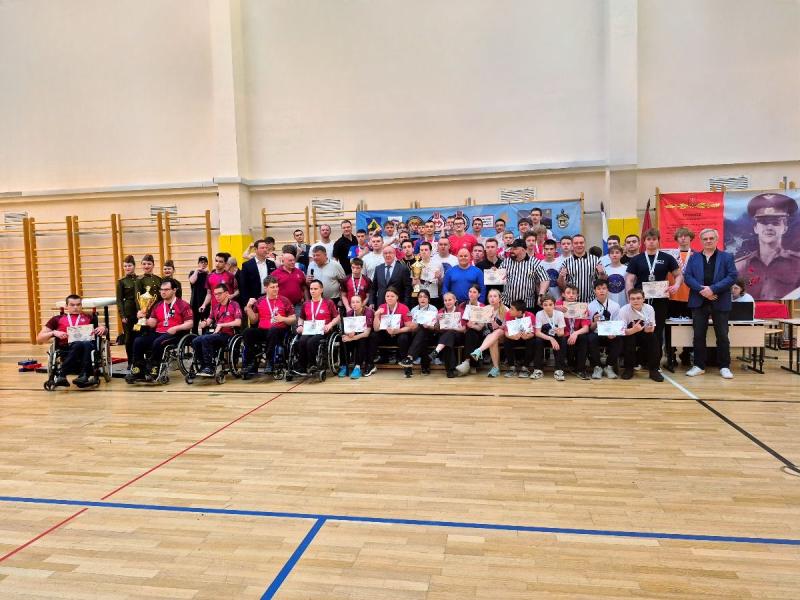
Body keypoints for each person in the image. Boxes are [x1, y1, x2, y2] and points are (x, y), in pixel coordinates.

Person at [684, 228, 739, 379]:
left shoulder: (727, 257)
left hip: (720, 300)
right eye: (705, 239)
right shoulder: (694, 257)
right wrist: (703, 290)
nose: (708, 241)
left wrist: (713, 289)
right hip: (699, 300)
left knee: (722, 335)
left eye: (711, 238)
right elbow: (687, 277)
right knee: (698, 335)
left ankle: (724, 366)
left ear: (716, 239)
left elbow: (732, 276)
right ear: (701, 241)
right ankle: (699, 366)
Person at [625, 228, 682, 364]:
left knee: (657, 330)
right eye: (648, 239)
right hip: (640, 301)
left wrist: (676, 285)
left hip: (660, 300)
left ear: (658, 241)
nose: (651, 242)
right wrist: (630, 298)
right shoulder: (637, 259)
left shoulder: (667, 258)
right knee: (638, 329)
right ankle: (640, 360)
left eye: (654, 239)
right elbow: (629, 280)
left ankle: (655, 363)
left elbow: (678, 275)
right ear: (644, 242)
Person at [735, 192, 800, 299]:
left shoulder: (798, 264)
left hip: (786, 310)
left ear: (785, 228)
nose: (769, 227)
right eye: (764, 222)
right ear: (755, 228)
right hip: (751, 310)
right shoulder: (739, 267)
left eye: (775, 222)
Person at [127, 279, 193, 382]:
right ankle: (138, 370)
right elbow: (153, 323)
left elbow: (190, 323)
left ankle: (154, 368)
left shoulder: (183, 305)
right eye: (161, 290)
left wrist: (176, 328)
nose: (163, 292)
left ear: (174, 290)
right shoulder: (158, 305)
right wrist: (142, 318)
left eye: (166, 289)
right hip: (158, 333)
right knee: (138, 341)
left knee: (159, 342)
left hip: (175, 334)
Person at [38, 294, 106, 388]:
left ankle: (63, 374)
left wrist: (103, 328)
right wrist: (54, 333)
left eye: (78, 304)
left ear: (81, 305)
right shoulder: (57, 319)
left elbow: (102, 331)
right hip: (66, 348)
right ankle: (84, 375)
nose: (75, 307)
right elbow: (39, 338)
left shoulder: (89, 317)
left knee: (83, 344)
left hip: (87, 348)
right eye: (72, 305)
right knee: (79, 344)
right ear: (66, 306)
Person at [242, 276, 296, 379]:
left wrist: (283, 319)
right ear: (266, 288)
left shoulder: (284, 300)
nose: (276, 289)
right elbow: (254, 320)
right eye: (272, 287)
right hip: (263, 330)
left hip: (279, 331)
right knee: (247, 332)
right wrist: (248, 307)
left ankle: (270, 361)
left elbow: (293, 319)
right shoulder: (260, 301)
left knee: (273, 330)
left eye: (276, 286)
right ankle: (251, 362)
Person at [192, 283, 242, 376]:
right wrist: (204, 323)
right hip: (216, 334)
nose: (217, 296)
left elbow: (238, 322)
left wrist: (222, 325)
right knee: (195, 340)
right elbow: (209, 320)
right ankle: (204, 366)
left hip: (228, 335)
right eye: (215, 294)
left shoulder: (234, 305)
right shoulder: (215, 307)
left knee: (206, 339)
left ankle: (210, 367)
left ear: (226, 293)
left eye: (219, 293)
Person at [293, 280, 340, 376]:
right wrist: (300, 326)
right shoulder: (306, 304)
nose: (313, 291)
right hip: (309, 330)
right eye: (311, 289)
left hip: (323, 330)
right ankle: (302, 366)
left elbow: (337, 317)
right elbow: (301, 318)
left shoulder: (328, 302)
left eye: (315, 289)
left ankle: (312, 364)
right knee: (302, 341)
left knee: (311, 342)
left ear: (321, 290)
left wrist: (330, 325)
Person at [619, 288, 662, 382]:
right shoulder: (624, 310)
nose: (636, 301)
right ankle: (629, 368)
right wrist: (633, 330)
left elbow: (652, 328)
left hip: (644, 332)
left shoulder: (649, 308)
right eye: (633, 299)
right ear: (629, 300)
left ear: (643, 299)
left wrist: (648, 329)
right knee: (629, 339)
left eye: (638, 298)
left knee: (653, 339)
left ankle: (654, 370)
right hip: (629, 332)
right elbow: (622, 331)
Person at [667, 227, 695, 366]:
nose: (683, 238)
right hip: (672, 297)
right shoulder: (670, 255)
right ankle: (670, 354)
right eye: (680, 236)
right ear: (676, 239)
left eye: (685, 236)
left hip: (690, 297)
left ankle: (686, 353)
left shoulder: (697, 255)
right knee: (670, 328)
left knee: (689, 328)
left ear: (691, 238)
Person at [465, 288, 507, 377]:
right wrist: (472, 325)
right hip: (489, 337)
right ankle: (496, 368)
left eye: (495, 296)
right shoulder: (485, 309)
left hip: (503, 335)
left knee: (498, 331)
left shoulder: (505, 309)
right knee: (493, 340)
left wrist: (498, 326)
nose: (492, 298)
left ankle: (479, 350)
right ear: (488, 298)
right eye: (490, 296)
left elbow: (509, 327)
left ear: (499, 298)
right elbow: (480, 327)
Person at [371, 286, 413, 374]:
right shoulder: (381, 307)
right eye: (387, 296)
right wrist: (376, 316)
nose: (389, 298)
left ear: (397, 297)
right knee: (373, 335)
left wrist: (398, 331)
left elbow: (409, 327)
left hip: (398, 334)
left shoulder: (404, 308)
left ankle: (406, 364)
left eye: (392, 296)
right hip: (386, 335)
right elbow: (376, 328)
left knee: (404, 337)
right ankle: (370, 364)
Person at [586, 279, 622, 379]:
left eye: (604, 288)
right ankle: (597, 367)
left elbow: (617, 324)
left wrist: (613, 332)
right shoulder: (589, 306)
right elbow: (590, 328)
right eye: (598, 289)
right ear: (594, 291)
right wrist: (595, 322)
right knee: (590, 338)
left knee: (618, 339)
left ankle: (609, 366)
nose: (601, 291)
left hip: (610, 333)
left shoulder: (615, 305)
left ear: (608, 290)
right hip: (596, 332)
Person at [554, 284, 591, 379]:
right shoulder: (558, 305)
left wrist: (575, 333)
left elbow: (586, 328)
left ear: (577, 295)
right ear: (563, 294)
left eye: (574, 293)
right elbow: (546, 308)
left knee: (583, 337)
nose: (571, 295)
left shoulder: (582, 307)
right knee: (561, 338)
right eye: (568, 293)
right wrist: (555, 308)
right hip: (563, 333)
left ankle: (580, 369)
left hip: (575, 334)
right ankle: (559, 370)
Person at [501, 239, 548, 311]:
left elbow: (545, 279)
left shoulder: (534, 262)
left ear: (523, 250)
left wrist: (541, 295)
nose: (512, 251)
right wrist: (494, 272)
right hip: (508, 303)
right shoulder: (506, 261)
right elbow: (497, 279)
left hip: (526, 305)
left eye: (515, 249)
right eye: (511, 248)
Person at [399, 290, 439, 375]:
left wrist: (428, 326)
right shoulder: (414, 310)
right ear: (417, 299)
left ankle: (410, 357)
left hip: (430, 333)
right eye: (420, 297)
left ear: (429, 299)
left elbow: (436, 327)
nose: (422, 299)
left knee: (423, 333)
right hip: (416, 334)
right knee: (421, 334)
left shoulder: (433, 309)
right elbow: (410, 326)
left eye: (425, 297)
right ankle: (425, 367)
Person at [428, 292, 466, 378]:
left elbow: (464, 329)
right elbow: (436, 329)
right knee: (447, 342)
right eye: (445, 300)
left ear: (455, 300)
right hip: (444, 337)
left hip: (458, 336)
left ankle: (436, 352)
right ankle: (450, 371)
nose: (447, 302)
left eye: (450, 300)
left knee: (450, 334)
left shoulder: (460, 311)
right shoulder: (441, 311)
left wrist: (453, 328)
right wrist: (437, 320)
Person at [558, 234, 601, 303]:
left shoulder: (595, 260)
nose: (579, 245)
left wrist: (602, 273)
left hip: (591, 301)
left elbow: (603, 281)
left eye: (581, 243)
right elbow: (561, 285)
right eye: (576, 243)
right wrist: (561, 277)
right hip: (572, 302)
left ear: (585, 244)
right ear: (572, 245)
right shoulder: (566, 262)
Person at [339, 294, 374, 379]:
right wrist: (348, 334)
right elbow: (347, 329)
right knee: (342, 339)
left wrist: (352, 337)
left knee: (362, 340)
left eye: (357, 302)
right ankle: (344, 365)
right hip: (353, 336)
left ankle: (358, 367)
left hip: (365, 337)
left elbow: (366, 333)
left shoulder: (368, 312)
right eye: (353, 302)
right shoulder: (349, 313)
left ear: (362, 303)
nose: (355, 304)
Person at [455, 284, 487, 375]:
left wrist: (472, 326)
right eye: (470, 292)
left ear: (479, 294)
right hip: (463, 331)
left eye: (474, 292)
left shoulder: (482, 306)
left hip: (477, 331)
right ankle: (472, 365)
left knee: (472, 333)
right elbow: (460, 322)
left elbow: (481, 327)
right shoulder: (462, 305)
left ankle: (467, 362)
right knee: (469, 333)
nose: (471, 294)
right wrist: (466, 326)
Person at [533, 295, 566, 381]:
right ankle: (538, 369)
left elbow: (562, 333)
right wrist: (551, 339)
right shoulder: (539, 314)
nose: (548, 307)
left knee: (562, 339)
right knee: (538, 341)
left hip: (556, 337)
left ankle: (559, 369)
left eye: (550, 304)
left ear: (554, 305)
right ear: (542, 305)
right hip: (545, 337)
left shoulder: (560, 314)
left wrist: (558, 333)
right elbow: (537, 332)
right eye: (545, 305)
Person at [239, 239, 277, 312]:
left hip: (269, 297)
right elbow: (243, 286)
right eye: (262, 248)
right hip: (254, 299)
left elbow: (274, 281)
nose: (265, 250)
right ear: (255, 250)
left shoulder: (271, 264)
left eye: (266, 247)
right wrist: (246, 304)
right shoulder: (247, 265)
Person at [503, 299, 536, 378]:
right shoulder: (508, 314)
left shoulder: (530, 315)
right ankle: (511, 367)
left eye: (512, 309)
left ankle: (525, 367)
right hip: (514, 337)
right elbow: (506, 332)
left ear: (520, 312)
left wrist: (527, 336)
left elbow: (533, 332)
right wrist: (513, 337)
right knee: (506, 340)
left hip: (526, 337)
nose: (509, 310)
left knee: (532, 341)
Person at [272, 250, 308, 317]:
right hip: (282, 305)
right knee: (283, 322)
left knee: (298, 322)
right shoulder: (275, 274)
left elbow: (304, 287)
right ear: (283, 261)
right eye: (290, 260)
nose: (293, 262)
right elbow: (271, 289)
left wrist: (307, 301)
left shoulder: (299, 272)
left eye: (294, 260)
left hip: (298, 305)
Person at [116, 254, 138, 364]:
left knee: (139, 336)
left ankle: (139, 360)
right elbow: (119, 300)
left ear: (134, 266)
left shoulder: (140, 279)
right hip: (128, 312)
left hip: (140, 312)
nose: (127, 268)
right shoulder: (122, 281)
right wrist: (122, 315)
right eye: (125, 266)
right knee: (129, 337)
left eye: (129, 265)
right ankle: (130, 361)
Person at [415, 241, 443, 308]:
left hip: (434, 296)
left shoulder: (438, 264)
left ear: (430, 251)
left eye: (426, 250)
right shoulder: (416, 266)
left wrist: (439, 278)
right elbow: (415, 287)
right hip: (421, 298)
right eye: (421, 250)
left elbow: (441, 284)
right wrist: (415, 283)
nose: (423, 252)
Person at [188, 256, 209, 333]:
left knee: (205, 325)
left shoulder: (208, 275)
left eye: (205, 263)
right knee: (194, 325)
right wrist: (197, 271)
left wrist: (207, 273)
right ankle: (194, 338)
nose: (203, 264)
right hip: (194, 303)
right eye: (201, 262)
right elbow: (192, 281)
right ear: (198, 263)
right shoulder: (193, 273)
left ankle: (204, 338)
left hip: (205, 303)